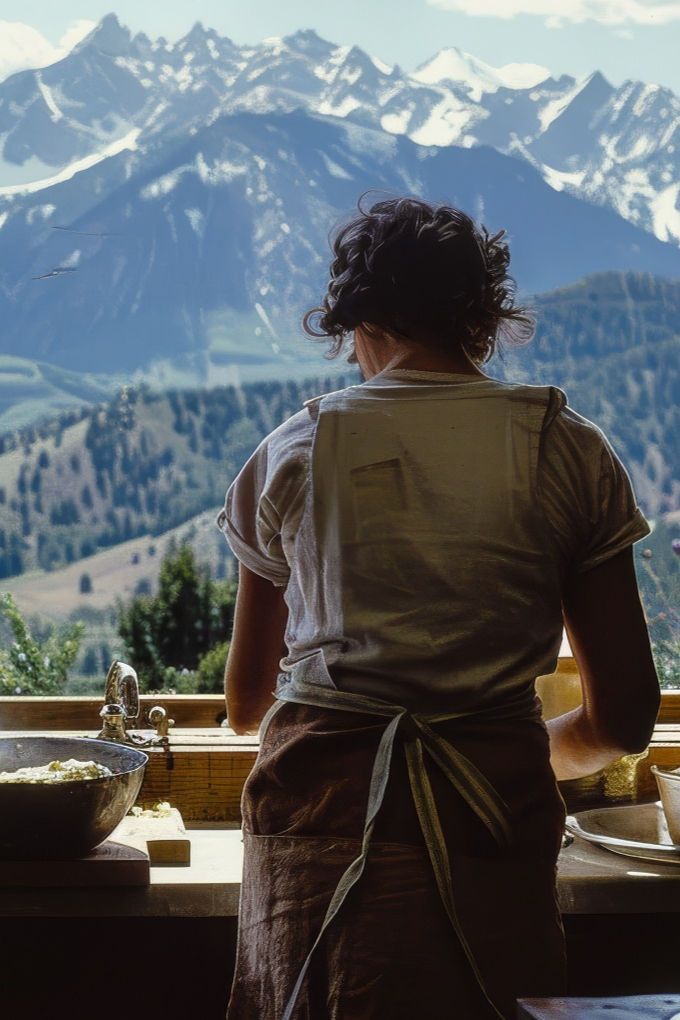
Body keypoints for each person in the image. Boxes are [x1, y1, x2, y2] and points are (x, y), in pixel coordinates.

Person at [217, 196, 660, 1020]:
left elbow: (247, 707)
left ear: (358, 320)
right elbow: (627, 718)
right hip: (494, 819)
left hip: (321, 827)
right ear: (484, 319)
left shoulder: (292, 453)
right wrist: (521, 748)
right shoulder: (565, 448)